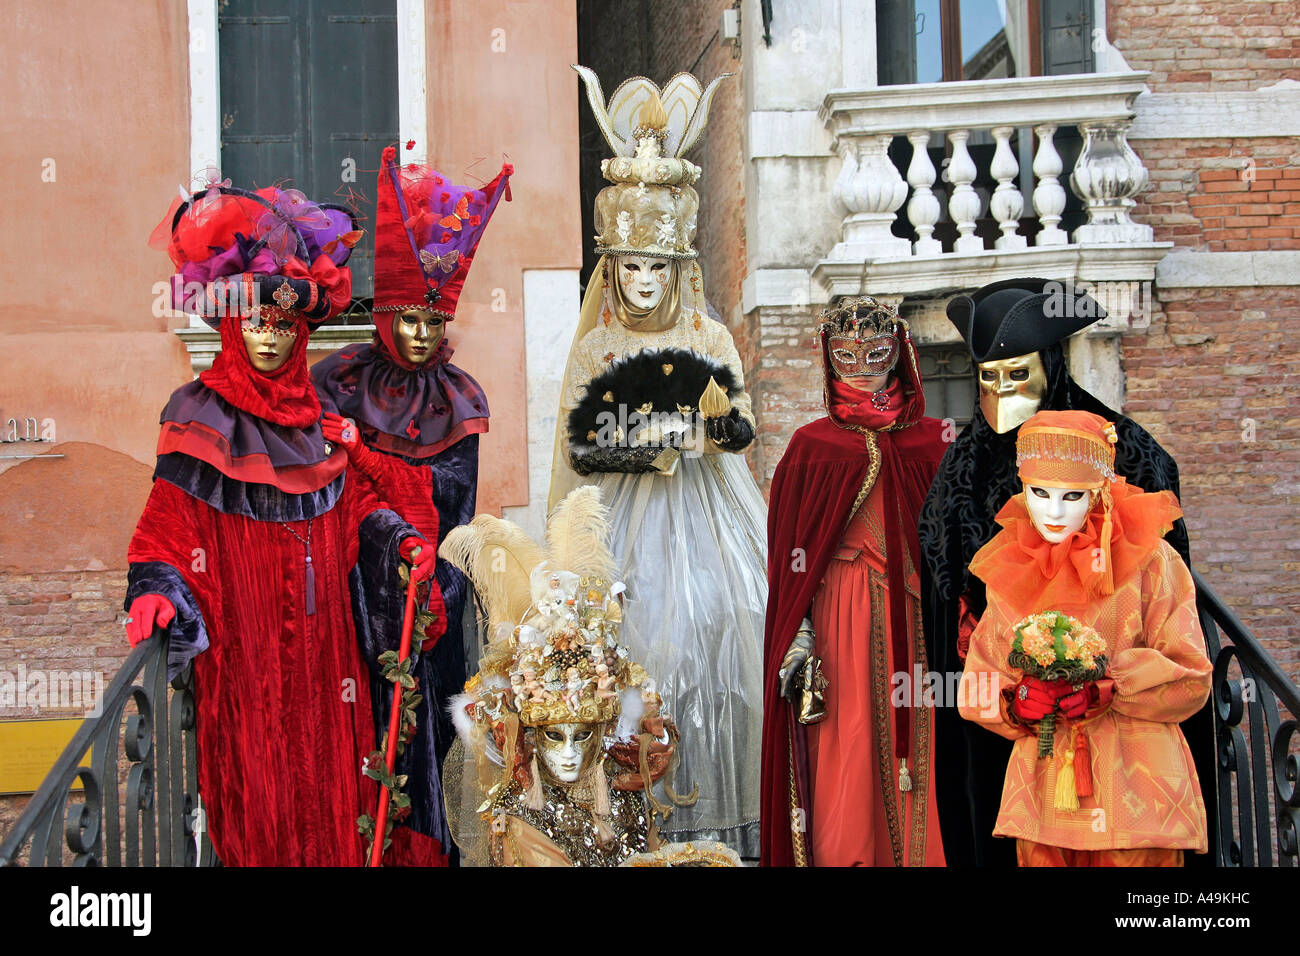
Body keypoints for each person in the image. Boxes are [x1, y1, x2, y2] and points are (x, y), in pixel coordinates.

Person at [125, 178, 435, 866]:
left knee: (337, 802)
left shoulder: (321, 428)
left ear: (302, 331)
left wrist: (398, 542)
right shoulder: (199, 416)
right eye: (257, 322)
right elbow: (164, 528)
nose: (269, 336)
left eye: (285, 324)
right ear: (233, 325)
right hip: (246, 665)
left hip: (332, 668)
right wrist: (156, 585)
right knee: (261, 807)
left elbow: (357, 508)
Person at [917, 277, 1214, 867]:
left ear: (1049, 363)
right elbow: (942, 574)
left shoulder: (1125, 449)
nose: (1001, 392)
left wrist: (1113, 676)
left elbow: (1166, 595)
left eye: (1017, 373)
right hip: (1011, 707)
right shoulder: (963, 464)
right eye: (987, 377)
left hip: (1127, 727)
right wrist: (999, 671)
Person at [549, 67, 767, 856]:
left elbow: (739, 427)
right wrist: (663, 438)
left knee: (730, 638)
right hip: (620, 531)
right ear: (612, 268)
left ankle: (719, 831)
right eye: (629, 267)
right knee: (637, 656)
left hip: (712, 524)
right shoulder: (599, 345)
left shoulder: (710, 337)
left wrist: (703, 432)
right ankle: (638, 833)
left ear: (679, 269)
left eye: (657, 268)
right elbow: (583, 445)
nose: (643, 284)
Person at [313, 146, 511, 863]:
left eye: (435, 321)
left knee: (425, 750)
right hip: (350, 597)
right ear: (386, 312)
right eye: (410, 319)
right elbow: (328, 493)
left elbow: (451, 509)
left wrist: (425, 575)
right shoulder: (335, 382)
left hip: (432, 604)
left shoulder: (460, 399)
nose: (423, 334)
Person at [958, 409, 1211, 866]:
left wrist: (1112, 687)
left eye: (1072, 495)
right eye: (1039, 493)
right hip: (1044, 796)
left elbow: (1193, 676)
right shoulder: (1008, 567)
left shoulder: (1153, 561)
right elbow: (980, 677)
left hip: (1138, 794)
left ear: (1100, 491)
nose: (1053, 512)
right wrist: (1015, 704)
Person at [761, 297, 948, 867]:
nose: (863, 365)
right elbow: (788, 561)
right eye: (847, 353)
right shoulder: (810, 447)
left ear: (900, 355)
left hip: (919, 620)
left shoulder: (934, 439)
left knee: (928, 745)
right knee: (848, 744)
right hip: (841, 618)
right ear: (828, 356)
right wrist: (798, 635)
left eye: (876, 351)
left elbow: (957, 542)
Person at [440, 487, 701, 866]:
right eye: (554, 734)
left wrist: (651, 735)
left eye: (582, 735)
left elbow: (650, 729)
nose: (568, 754)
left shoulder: (620, 792)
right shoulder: (522, 817)